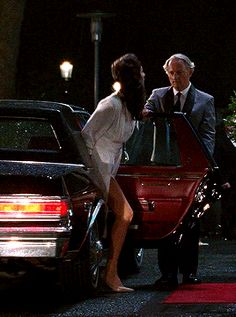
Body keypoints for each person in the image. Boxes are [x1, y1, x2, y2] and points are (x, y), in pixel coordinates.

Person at [144, 53, 216, 290]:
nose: (175, 77)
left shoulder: (205, 100)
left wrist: (201, 163)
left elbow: (208, 134)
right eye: (171, 73)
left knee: (190, 222)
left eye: (180, 73)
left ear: (190, 73)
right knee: (167, 220)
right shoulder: (158, 95)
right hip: (163, 168)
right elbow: (145, 113)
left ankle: (189, 272)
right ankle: (167, 274)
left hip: (191, 170)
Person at [82, 53, 146, 292]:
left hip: (110, 167)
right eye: (141, 71)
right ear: (135, 77)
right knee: (126, 214)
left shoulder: (127, 107)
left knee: (107, 223)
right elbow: (86, 138)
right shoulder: (110, 105)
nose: (144, 75)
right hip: (99, 168)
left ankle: (107, 272)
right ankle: (111, 273)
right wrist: (93, 177)